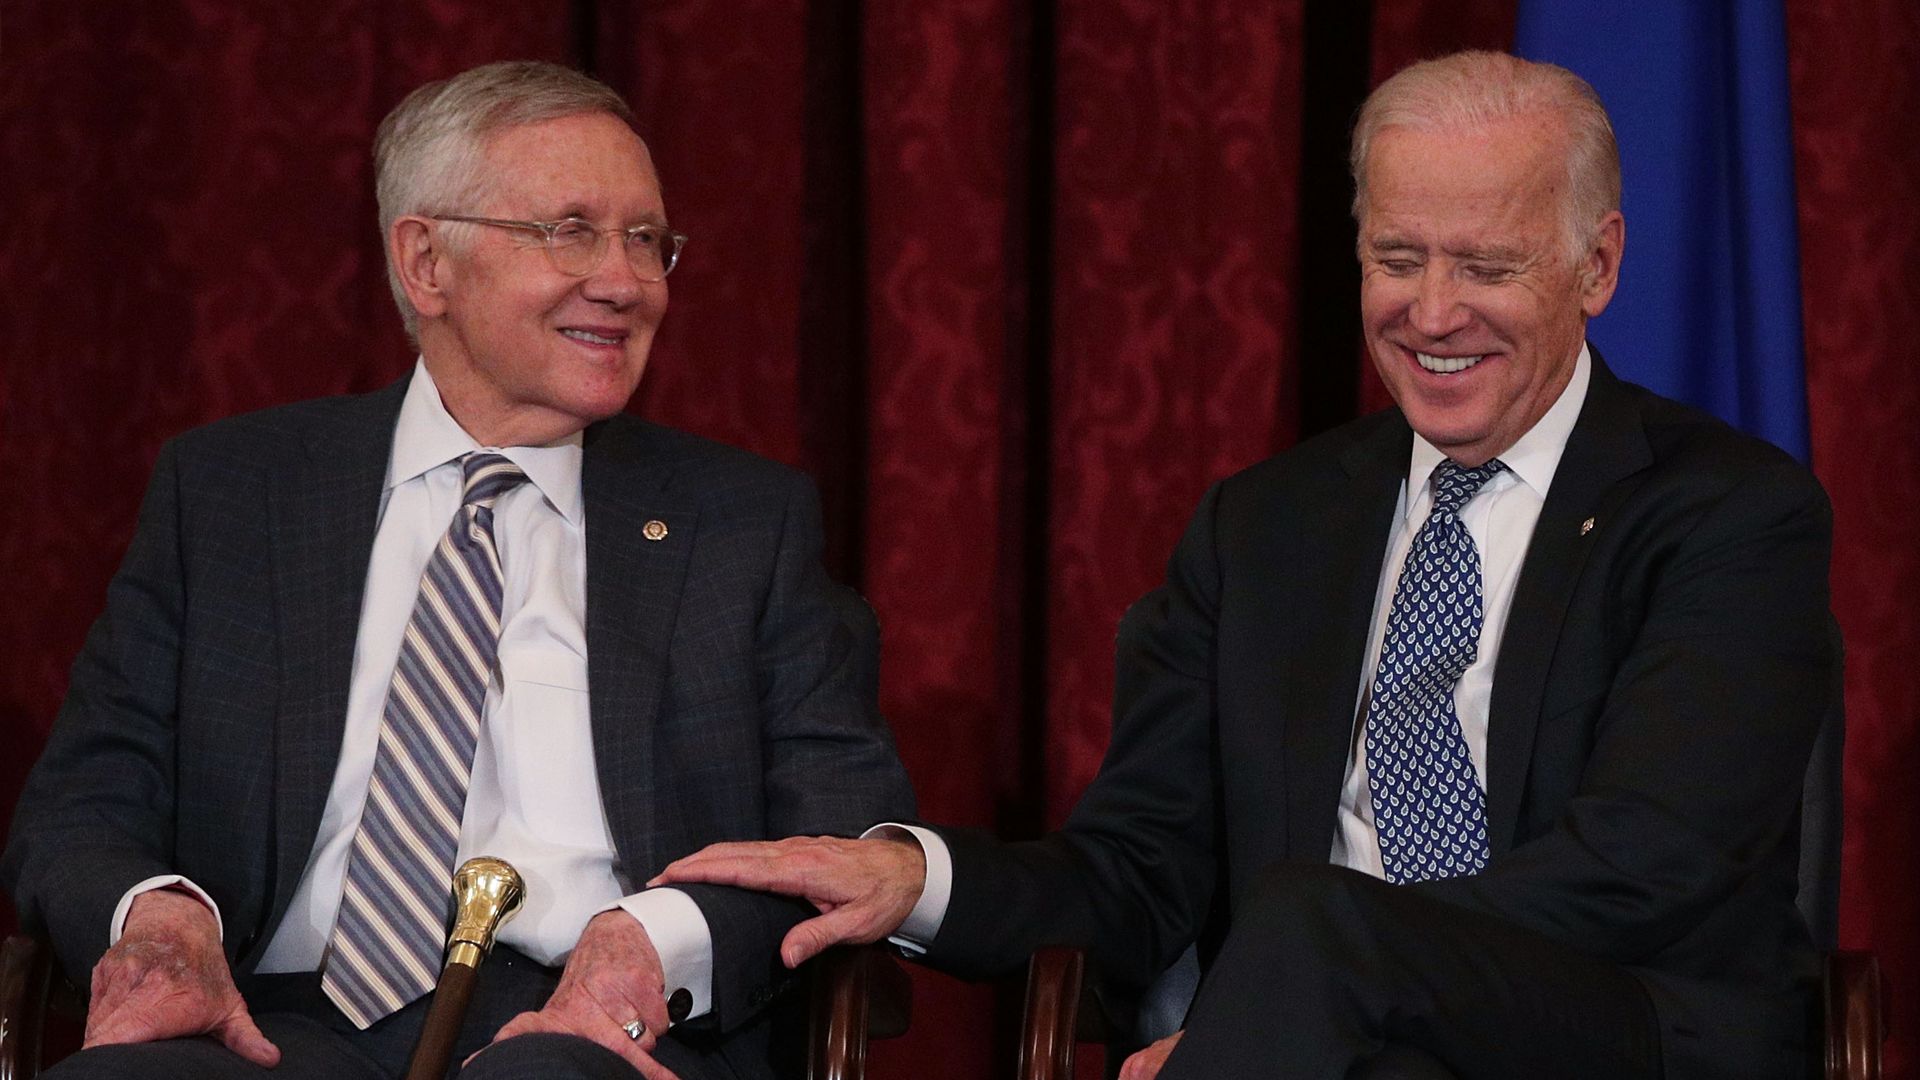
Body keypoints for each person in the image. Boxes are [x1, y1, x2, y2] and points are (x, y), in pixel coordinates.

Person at [655, 51, 1836, 1080]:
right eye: (1398, 256)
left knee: (1314, 932)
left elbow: (1646, 867)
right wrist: (920, 879)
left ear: (1598, 265)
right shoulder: (1266, 528)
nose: (1432, 311)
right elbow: (1138, 873)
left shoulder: (1727, 515)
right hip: (1324, 1052)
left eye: (1487, 266)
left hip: (1614, 1033)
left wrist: (1304, 988)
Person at [1, 60, 912, 1080]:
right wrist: (158, 919)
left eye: (646, 239)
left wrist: (656, 941)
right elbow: (83, 800)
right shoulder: (232, 493)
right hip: (264, 1024)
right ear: (427, 260)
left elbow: (837, 831)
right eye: (570, 229)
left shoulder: (743, 521)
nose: (624, 280)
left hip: (587, 1026)